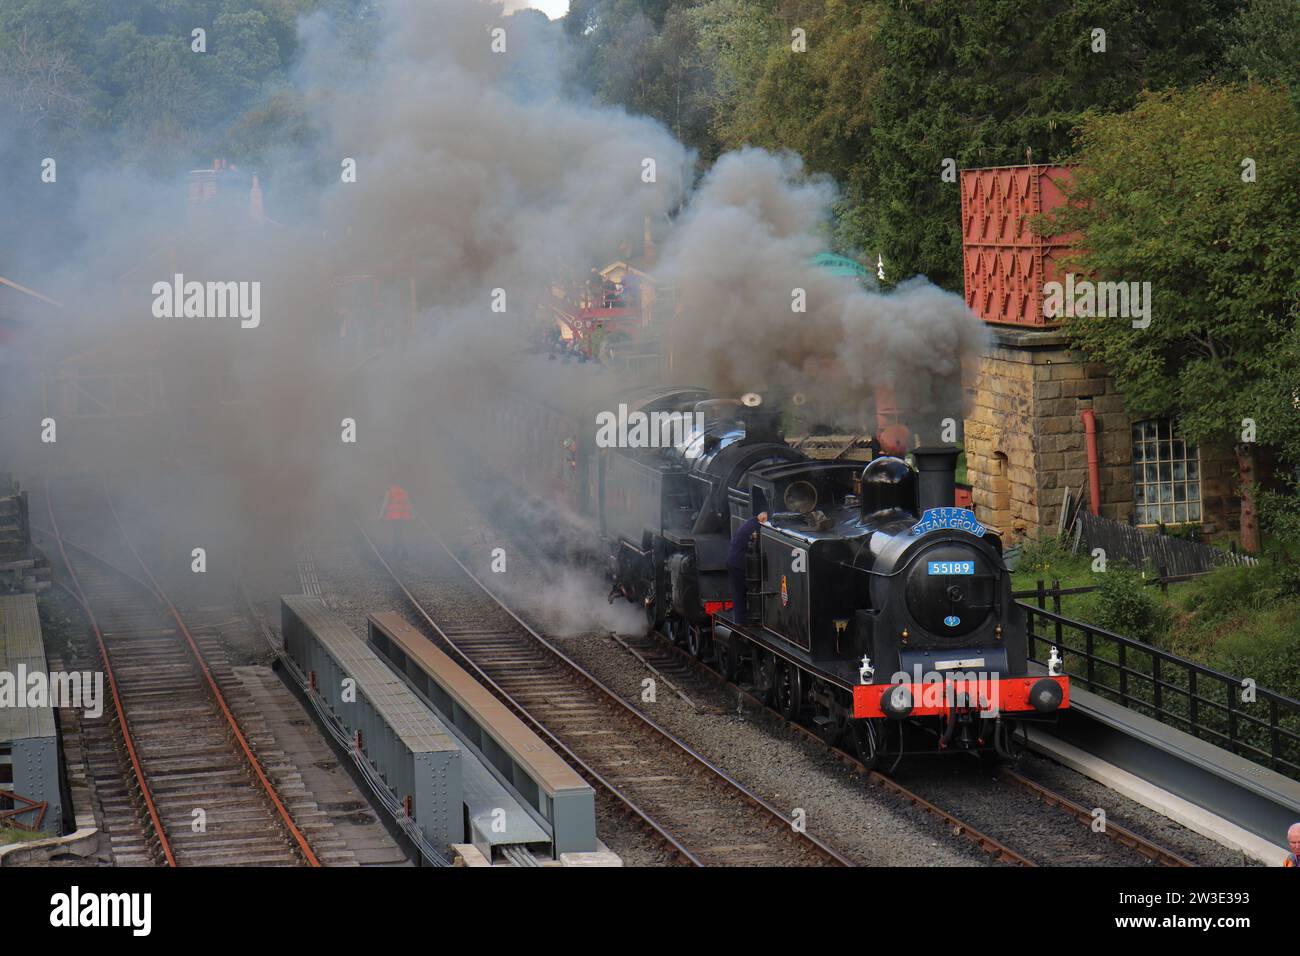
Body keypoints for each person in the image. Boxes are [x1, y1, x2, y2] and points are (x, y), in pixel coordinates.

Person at [726, 511, 768, 624]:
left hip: (733, 560)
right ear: (763, 519)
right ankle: (746, 619)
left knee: (738, 593)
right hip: (740, 562)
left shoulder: (751, 522)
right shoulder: (756, 529)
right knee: (750, 589)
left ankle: (741, 618)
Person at [380, 482, 413, 559]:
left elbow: (385, 502)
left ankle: (397, 551)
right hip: (403, 514)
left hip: (394, 515)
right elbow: (408, 502)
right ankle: (402, 552)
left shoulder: (389, 490)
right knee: (400, 533)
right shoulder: (404, 490)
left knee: (396, 533)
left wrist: (381, 515)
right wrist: (412, 513)